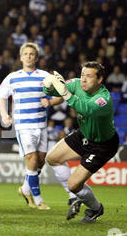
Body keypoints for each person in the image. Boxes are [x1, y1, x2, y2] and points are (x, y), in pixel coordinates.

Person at [43, 61, 119, 223]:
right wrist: (49, 87)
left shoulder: (103, 99)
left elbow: (85, 108)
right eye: (82, 75)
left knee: (74, 184)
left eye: (89, 76)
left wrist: (65, 94)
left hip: (102, 145)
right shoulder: (77, 84)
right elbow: (55, 91)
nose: (83, 79)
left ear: (99, 80)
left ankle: (95, 208)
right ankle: (74, 198)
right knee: (52, 158)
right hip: (84, 135)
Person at [0, 42, 51, 210]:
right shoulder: (13, 77)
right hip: (23, 125)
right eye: (25, 54)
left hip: (41, 124)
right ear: (21, 57)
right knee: (32, 159)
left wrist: (50, 101)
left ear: (36, 58)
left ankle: (25, 189)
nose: (28, 56)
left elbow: (59, 94)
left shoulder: (45, 76)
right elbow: (1, 95)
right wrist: (4, 114)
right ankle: (39, 199)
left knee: (40, 162)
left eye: (32, 54)